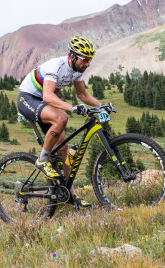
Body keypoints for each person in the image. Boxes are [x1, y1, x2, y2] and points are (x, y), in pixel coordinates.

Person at [17, 35, 105, 208]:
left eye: (90, 60)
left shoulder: (77, 71)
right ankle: (42, 159)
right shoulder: (56, 65)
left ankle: (68, 194)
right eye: (85, 60)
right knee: (61, 117)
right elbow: (47, 95)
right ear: (72, 56)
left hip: (40, 102)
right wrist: (72, 107)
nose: (88, 64)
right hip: (27, 98)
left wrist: (101, 106)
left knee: (63, 148)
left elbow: (82, 95)